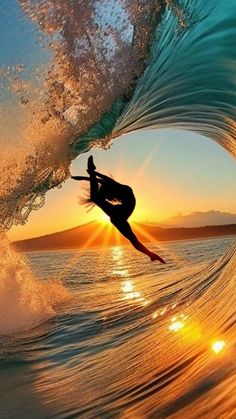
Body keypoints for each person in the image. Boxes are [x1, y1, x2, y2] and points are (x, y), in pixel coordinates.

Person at [71, 156, 165, 263]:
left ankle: (151, 255)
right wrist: (90, 174)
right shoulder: (123, 190)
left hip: (118, 216)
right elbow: (105, 181)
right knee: (133, 239)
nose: (108, 198)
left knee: (96, 198)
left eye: (106, 194)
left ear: (109, 191)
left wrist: (92, 174)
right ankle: (151, 255)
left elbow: (106, 180)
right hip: (118, 216)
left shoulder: (124, 189)